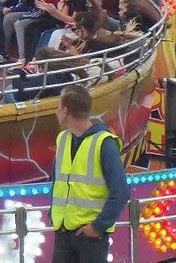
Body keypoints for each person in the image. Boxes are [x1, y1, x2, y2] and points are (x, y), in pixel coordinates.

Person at [51, 85, 128, 263]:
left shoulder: (104, 143)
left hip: (91, 236)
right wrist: (53, 215)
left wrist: (98, 227)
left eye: (58, 106)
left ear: (65, 110)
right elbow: (57, 181)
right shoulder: (62, 138)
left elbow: (121, 191)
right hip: (63, 231)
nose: (56, 111)